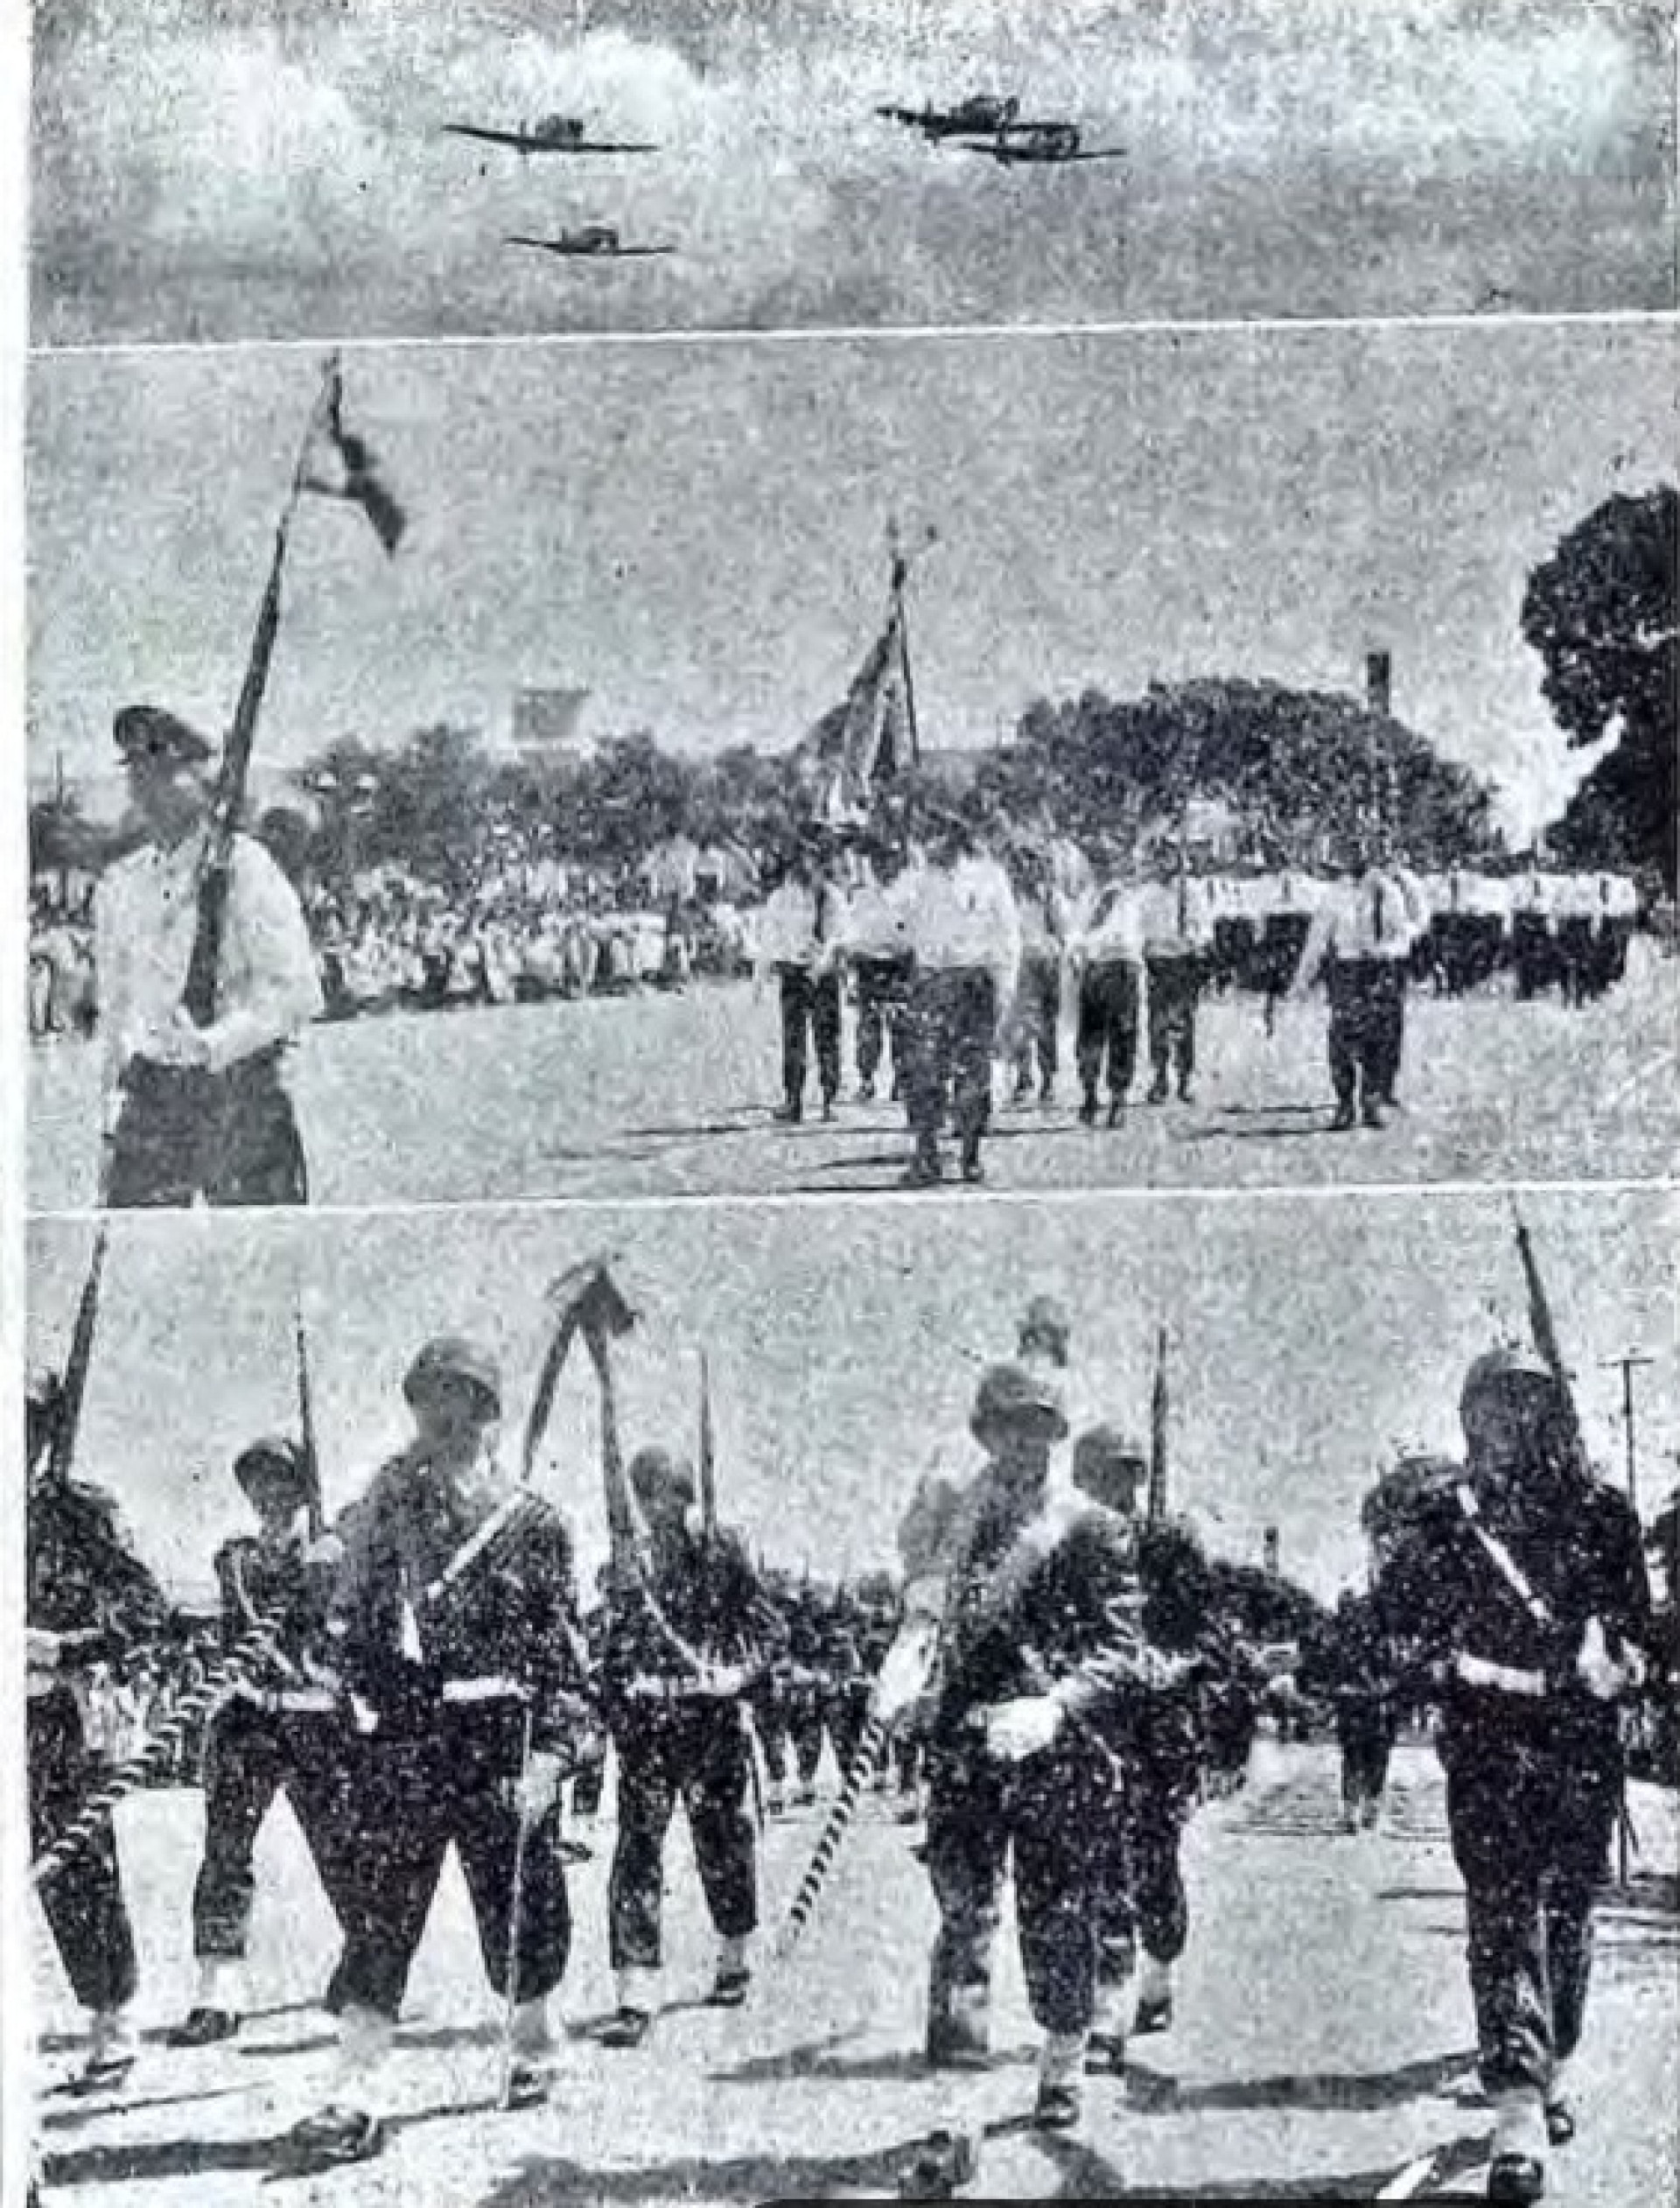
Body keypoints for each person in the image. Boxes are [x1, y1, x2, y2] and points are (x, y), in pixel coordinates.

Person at [286, 1338, 589, 2167]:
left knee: (518, 1908)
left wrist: (551, 1757)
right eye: (429, 1404)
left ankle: (533, 2036)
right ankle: (357, 2089)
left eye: (462, 1405)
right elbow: (351, 1620)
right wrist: (329, 1592)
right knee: (381, 1912)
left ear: (490, 1418)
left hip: (501, 1737)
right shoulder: (387, 1503)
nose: (443, 1420)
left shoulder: (534, 1523)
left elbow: (567, 1663)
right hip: (412, 1732)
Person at [1374, 1346, 1654, 2204]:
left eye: (1528, 1404)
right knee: (1500, 1918)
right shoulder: (1446, 1517)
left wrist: (1617, 1660)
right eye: (1494, 1406)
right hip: (1488, 1738)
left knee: (1567, 1918)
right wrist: (1442, 1664)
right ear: (1470, 1418)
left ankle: (1551, 2058)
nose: (1511, 1422)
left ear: (1553, 1414)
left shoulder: (1603, 1512)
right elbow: (1398, 1625)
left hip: (1580, 1741)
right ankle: (1519, 2112)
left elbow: (1640, 1638)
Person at [895, 1362, 1141, 2135]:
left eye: (1038, 1428)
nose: (1023, 1443)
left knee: (1055, 1914)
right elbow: (930, 1623)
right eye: (1009, 1428)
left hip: (1053, 1753)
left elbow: (1121, 1649)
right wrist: (906, 1672)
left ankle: (1063, 2060)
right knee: (963, 1920)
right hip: (966, 1749)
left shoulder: (1088, 1525)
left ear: (1056, 1437)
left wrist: (1057, 1705)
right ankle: (955, 2112)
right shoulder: (955, 1525)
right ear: (987, 1434)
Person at [167, 1439, 355, 2046]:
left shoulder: (339, 1553)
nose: (269, 1496)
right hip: (248, 1716)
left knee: (342, 1849)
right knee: (225, 1853)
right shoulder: (236, 1559)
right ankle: (218, 1992)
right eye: (258, 1485)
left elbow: (352, 1630)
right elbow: (235, 1626)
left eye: (282, 1482)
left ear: (304, 1489)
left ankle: (365, 1963)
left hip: (316, 1720)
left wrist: (334, 1569)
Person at [96, 704, 324, 1207]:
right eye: (135, 767)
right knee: (141, 1247)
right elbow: (115, 1012)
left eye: (163, 768)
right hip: (151, 1104)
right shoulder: (120, 884)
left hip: (239, 1097)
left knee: (260, 1249)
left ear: (205, 777)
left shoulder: (247, 868)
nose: (144, 783)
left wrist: (214, 1043)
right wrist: (112, 1115)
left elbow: (296, 991)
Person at [599, 1447, 779, 2048]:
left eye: (667, 1492)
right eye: (646, 1493)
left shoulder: (721, 1550)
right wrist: (618, 1706)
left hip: (709, 1717)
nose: (656, 1505)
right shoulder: (629, 1561)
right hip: (648, 1723)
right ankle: (636, 1990)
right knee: (637, 1851)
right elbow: (615, 1644)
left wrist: (738, 1674)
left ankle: (733, 1954)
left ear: (686, 1496)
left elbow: (771, 1630)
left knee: (722, 1841)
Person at [27, 1367, 168, 2094]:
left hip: (52, 1712)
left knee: (75, 1869)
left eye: (25, 1420)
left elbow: (148, 1609)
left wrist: (63, 1646)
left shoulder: (78, 1511)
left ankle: (112, 2025)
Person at [1069, 1425, 1218, 2068]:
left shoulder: (1169, 1543)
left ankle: (1158, 1972)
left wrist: (1170, 1665)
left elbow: (1206, 1633)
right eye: (1103, 1476)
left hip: (1159, 1728)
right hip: (1092, 1722)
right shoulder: (1065, 1545)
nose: (1116, 1488)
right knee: (1099, 1863)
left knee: (1154, 1862)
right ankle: (1107, 2008)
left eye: (1127, 1474)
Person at [900, 812, 1020, 1187]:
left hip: (974, 980)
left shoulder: (989, 877)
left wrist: (1005, 987)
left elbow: (1008, 935)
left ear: (954, 839)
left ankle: (970, 1155)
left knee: (973, 1071)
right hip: (932, 980)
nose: (929, 846)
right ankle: (927, 1155)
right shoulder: (921, 879)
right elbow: (907, 928)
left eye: (935, 838)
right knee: (924, 1071)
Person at [1288, 849, 1424, 1130]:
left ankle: (1372, 1100)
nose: (1367, 868)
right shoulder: (1336, 896)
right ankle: (1345, 1103)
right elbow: (1317, 940)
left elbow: (1409, 927)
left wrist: (1394, 949)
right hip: (1348, 970)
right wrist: (1302, 980)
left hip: (1382, 969)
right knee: (1343, 1039)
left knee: (1379, 1037)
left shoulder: (1391, 894)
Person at [754, 844, 844, 1124]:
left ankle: (829, 1099)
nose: (804, 869)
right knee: (793, 1040)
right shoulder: (780, 899)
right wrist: (760, 975)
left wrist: (822, 963)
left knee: (827, 1038)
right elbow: (769, 938)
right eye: (799, 863)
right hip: (792, 971)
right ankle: (793, 1100)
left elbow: (836, 936)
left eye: (811, 862)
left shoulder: (829, 896)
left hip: (822, 974)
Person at [1068, 845, 1145, 1128]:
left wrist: (1086, 945)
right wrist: (1077, 955)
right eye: (1097, 863)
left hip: (1120, 967)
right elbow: (1073, 932)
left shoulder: (1127, 899)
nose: (1101, 868)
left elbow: (1127, 937)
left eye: (1107, 863)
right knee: (1089, 1036)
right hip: (1094, 968)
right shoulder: (1086, 898)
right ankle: (1089, 1094)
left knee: (1122, 1035)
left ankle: (1118, 1098)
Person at [1137, 850, 1214, 1104]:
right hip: (1158, 961)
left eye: (1169, 858)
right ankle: (1160, 1077)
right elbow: (1141, 928)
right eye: (1160, 858)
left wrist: (1193, 940)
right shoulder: (1149, 894)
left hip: (1183, 961)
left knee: (1184, 1022)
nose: (1164, 864)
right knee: (1157, 1023)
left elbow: (1204, 928)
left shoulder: (1190, 893)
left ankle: (1184, 1079)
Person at [844, 836, 915, 1103]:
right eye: (878, 862)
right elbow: (853, 932)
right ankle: (866, 1079)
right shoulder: (862, 896)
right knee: (868, 1025)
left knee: (901, 1025)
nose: (883, 867)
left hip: (898, 964)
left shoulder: (907, 896)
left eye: (888, 861)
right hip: (869, 962)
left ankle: (902, 1080)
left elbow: (913, 934)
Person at [1008, 845, 1069, 1105]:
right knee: (1020, 1023)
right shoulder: (1010, 898)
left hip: (1045, 962)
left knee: (1046, 1024)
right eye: (1020, 867)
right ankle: (1023, 1078)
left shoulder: (1050, 897)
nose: (1025, 872)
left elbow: (1063, 932)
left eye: (1030, 866)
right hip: (1019, 963)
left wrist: (1055, 953)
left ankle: (1048, 1078)